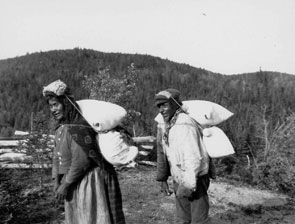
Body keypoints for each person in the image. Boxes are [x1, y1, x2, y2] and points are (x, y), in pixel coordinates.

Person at [43, 80, 125, 224]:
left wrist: (65, 185)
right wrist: (56, 181)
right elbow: (56, 156)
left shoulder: (78, 127)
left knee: (91, 218)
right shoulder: (61, 129)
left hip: (90, 181)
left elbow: (81, 162)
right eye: (50, 106)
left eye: (56, 105)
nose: (53, 110)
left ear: (66, 104)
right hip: (73, 181)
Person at [155, 88, 211, 224]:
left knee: (198, 220)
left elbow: (193, 157)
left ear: (175, 105)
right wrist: (162, 178)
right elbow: (162, 151)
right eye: (159, 106)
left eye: (165, 105)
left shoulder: (185, 124)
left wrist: (187, 184)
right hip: (179, 177)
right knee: (182, 219)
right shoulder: (166, 125)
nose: (161, 110)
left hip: (194, 178)